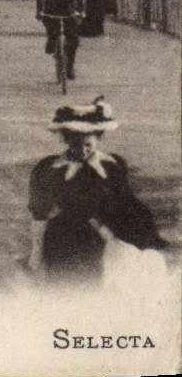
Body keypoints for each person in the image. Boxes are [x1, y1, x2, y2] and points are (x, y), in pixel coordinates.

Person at [28, 98, 168, 286]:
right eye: (76, 144)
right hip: (65, 236)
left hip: (107, 236)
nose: (82, 150)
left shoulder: (111, 165)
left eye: (88, 144)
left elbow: (126, 202)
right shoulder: (51, 169)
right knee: (64, 284)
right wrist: (37, 250)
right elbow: (39, 213)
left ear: (99, 138)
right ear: (67, 141)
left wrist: (121, 235)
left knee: (103, 283)